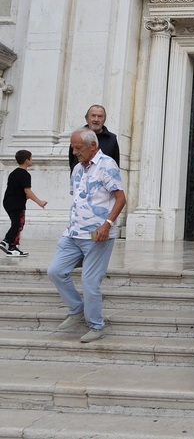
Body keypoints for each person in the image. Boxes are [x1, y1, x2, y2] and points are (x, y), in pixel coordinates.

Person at [48, 129, 126, 343]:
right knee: (55, 271)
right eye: (73, 148)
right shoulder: (77, 170)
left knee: (90, 281)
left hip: (97, 235)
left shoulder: (107, 164)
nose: (74, 152)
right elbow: (78, 200)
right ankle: (76, 309)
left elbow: (120, 199)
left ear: (92, 146)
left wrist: (107, 225)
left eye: (78, 148)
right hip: (73, 233)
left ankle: (96, 325)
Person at [1, 150, 47, 257]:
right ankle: (6, 241)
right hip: (16, 204)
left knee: (18, 223)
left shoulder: (13, 173)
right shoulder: (25, 174)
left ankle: (13, 248)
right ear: (27, 161)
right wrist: (39, 202)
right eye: (31, 158)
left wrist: (26, 197)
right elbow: (27, 191)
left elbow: (17, 190)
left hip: (8, 202)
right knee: (17, 224)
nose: (32, 160)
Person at [68, 105, 120, 170]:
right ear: (86, 118)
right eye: (93, 116)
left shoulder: (111, 139)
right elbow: (72, 161)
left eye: (100, 116)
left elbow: (115, 166)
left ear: (104, 120)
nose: (96, 119)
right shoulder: (77, 137)